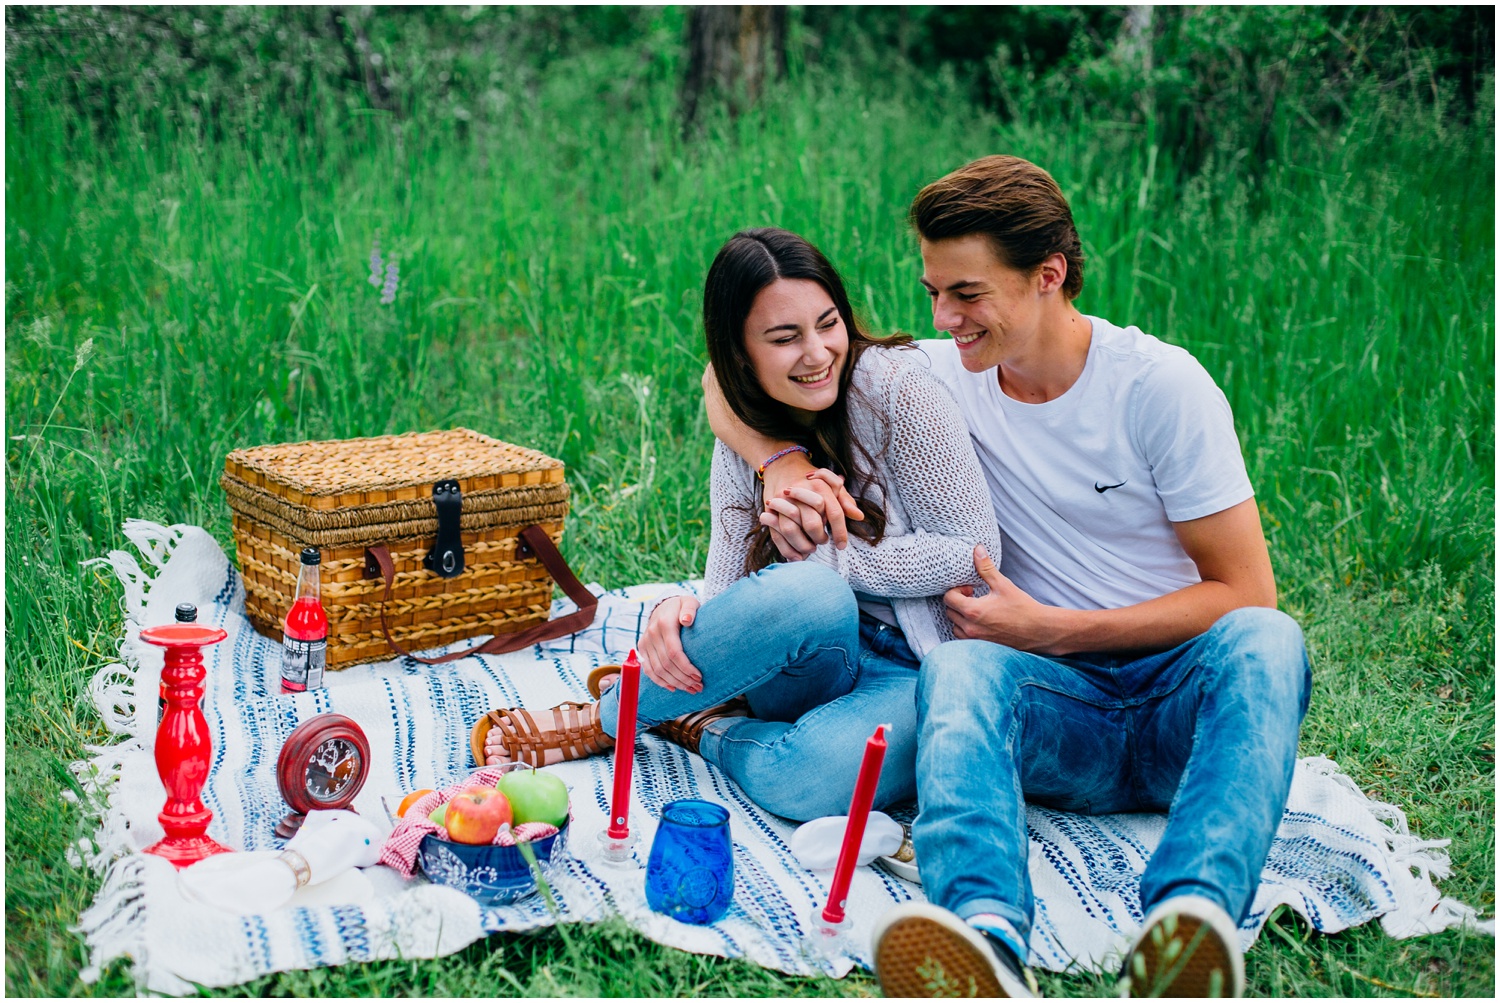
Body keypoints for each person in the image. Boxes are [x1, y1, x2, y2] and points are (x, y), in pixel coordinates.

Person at [705, 157, 1311, 997]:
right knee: (956, 663)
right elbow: (730, 371)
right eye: (934, 293)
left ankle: (1190, 924)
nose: (944, 317)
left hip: (1178, 709)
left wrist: (1056, 629)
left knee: (1269, 638)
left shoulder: (1160, 388)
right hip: (1048, 716)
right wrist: (776, 462)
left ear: (1048, 276)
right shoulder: (948, 367)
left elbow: (1247, 592)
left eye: (965, 293)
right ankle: (985, 936)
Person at [469, 227, 1001, 822]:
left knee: (811, 781)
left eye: (829, 325)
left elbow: (974, 551)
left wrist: (831, 559)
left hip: (917, 664)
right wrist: (694, 618)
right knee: (809, 592)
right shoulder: (745, 435)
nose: (819, 354)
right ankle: (608, 718)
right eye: (784, 338)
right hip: (812, 648)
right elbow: (730, 583)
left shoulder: (898, 391)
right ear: (739, 352)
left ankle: (702, 728)